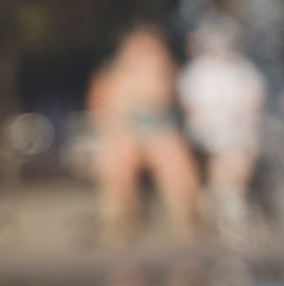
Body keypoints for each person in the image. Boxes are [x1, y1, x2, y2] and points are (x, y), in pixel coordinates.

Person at [87, 25, 199, 243]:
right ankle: (119, 224)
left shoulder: (164, 68)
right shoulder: (110, 71)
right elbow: (101, 111)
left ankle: (186, 222)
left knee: (174, 159)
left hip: (158, 130)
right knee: (115, 162)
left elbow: (166, 101)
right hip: (122, 132)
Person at [177, 23, 266, 243]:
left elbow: (255, 103)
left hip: (239, 129)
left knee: (237, 154)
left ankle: (226, 204)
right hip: (208, 129)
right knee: (230, 156)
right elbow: (191, 107)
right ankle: (231, 210)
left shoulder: (243, 69)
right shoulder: (197, 71)